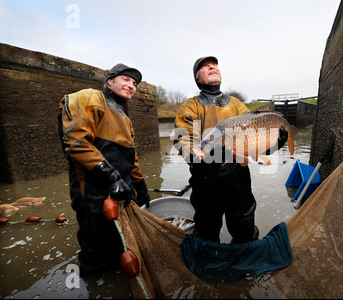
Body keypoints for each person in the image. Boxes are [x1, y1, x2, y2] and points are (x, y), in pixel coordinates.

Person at [175, 56, 287, 243]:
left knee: (245, 229)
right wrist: (198, 158)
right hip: (205, 180)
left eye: (214, 64)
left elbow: (255, 138)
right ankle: (210, 267)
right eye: (204, 66)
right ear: (197, 79)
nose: (211, 66)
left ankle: (245, 266)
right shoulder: (191, 106)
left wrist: (272, 146)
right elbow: (184, 141)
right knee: (207, 232)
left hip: (238, 179)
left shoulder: (236, 105)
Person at [57, 63, 150, 275]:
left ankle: (118, 274)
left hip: (122, 187)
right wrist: (111, 177)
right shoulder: (90, 97)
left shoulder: (125, 118)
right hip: (92, 188)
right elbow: (76, 142)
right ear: (110, 81)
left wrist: (139, 184)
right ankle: (96, 280)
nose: (131, 86)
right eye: (125, 79)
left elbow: (131, 156)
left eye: (134, 83)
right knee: (96, 240)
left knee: (120, 239)